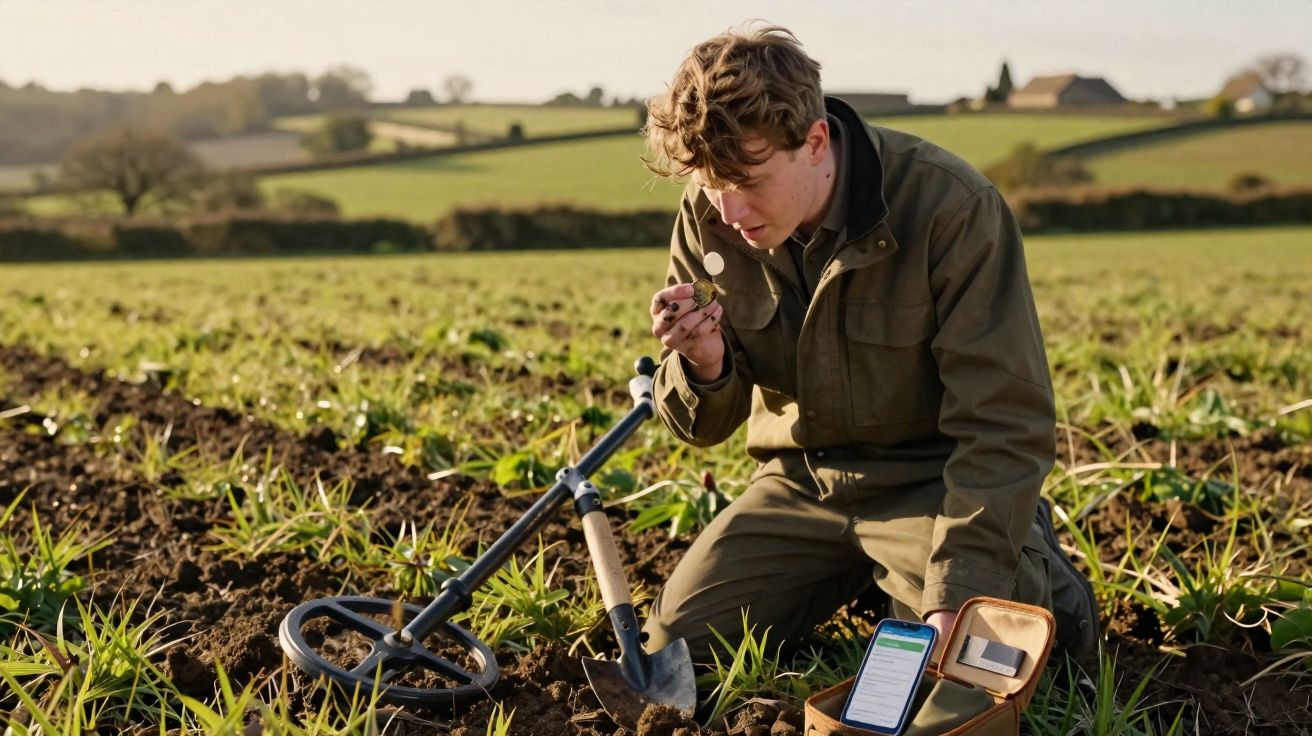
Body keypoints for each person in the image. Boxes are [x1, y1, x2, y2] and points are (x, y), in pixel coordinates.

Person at [639, 23, 1098, 664]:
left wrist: (959, 589)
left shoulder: (952, 207)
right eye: (712, 185)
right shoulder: (710, 212)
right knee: (672, 653)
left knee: (968, 666)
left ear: (816, 140)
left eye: (747, 180)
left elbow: (1005, 422)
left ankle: (1037, 578)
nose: (729, 211)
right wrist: (705, 367)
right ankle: (865, 578)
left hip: (932, 486)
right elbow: (705, 426)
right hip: (800, 484)